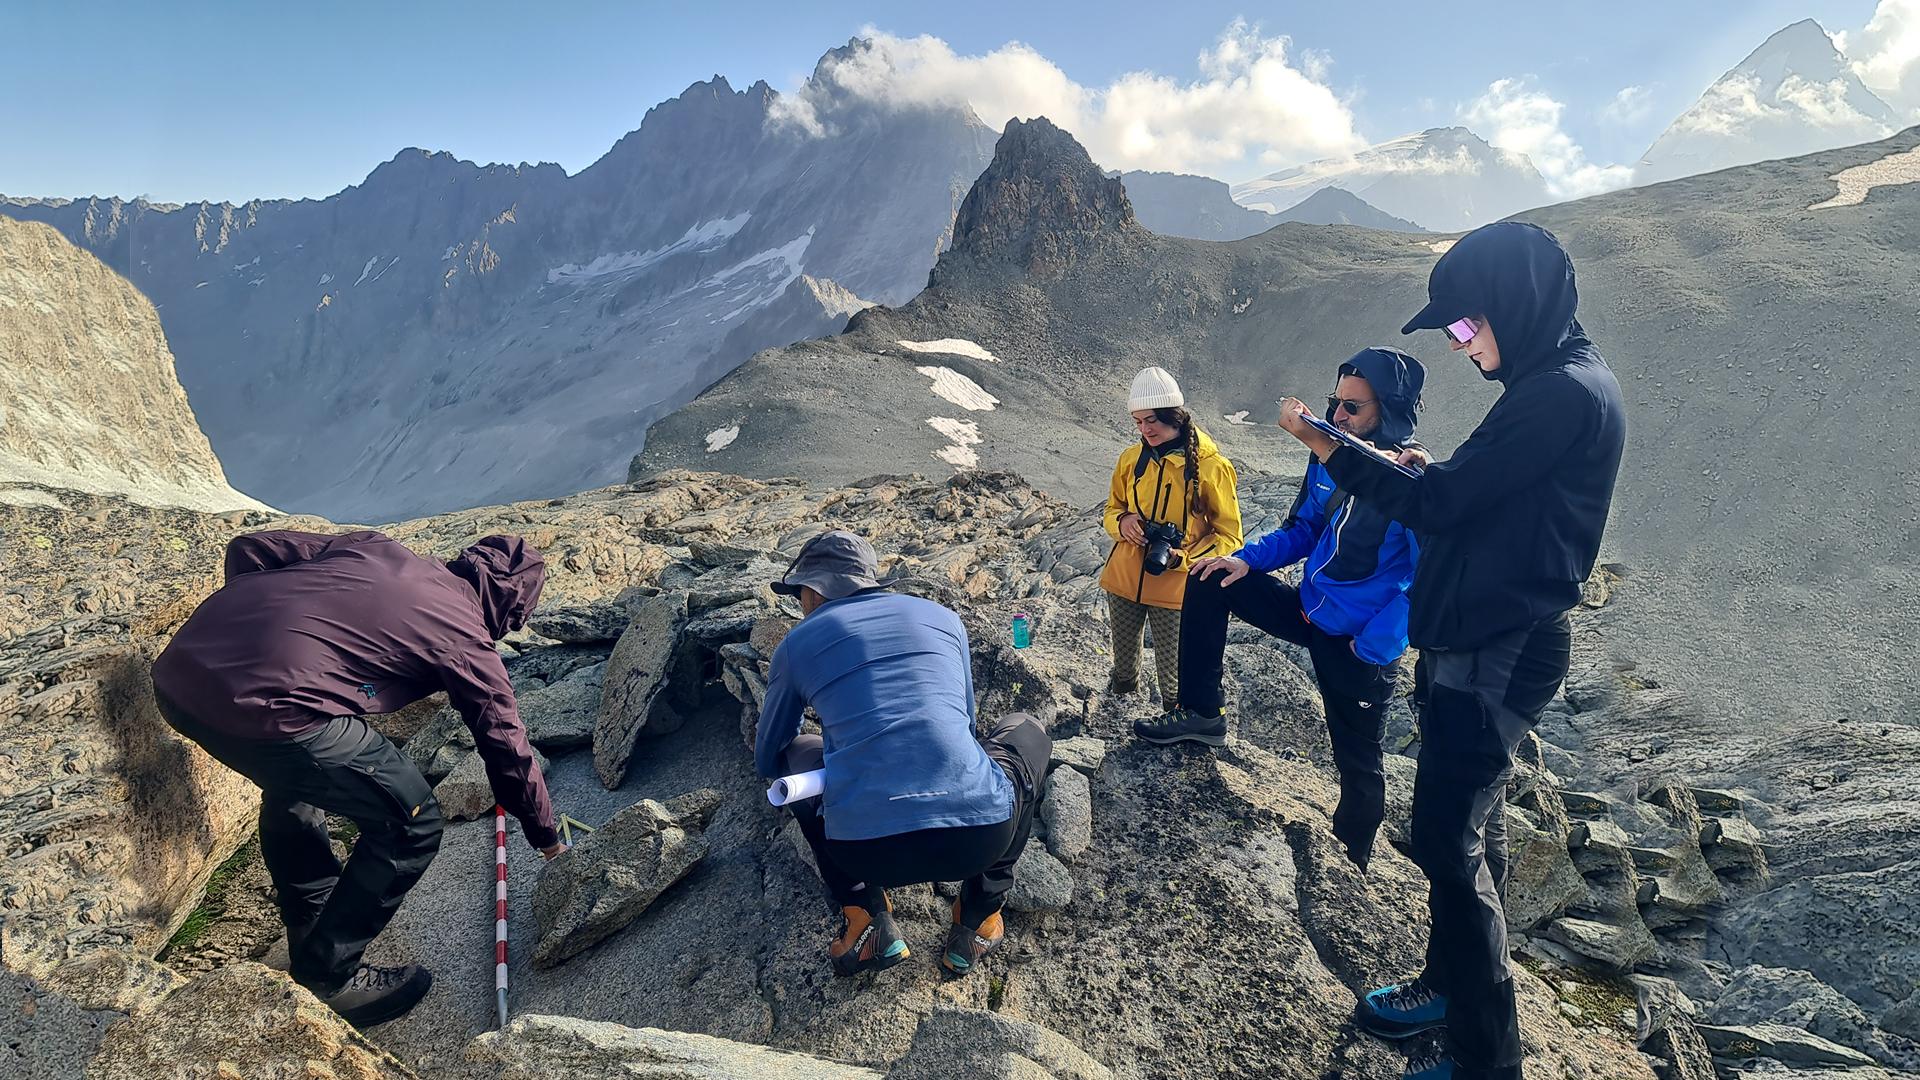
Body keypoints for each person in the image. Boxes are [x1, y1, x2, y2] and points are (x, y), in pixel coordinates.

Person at [1275, 222, 1625, 1080]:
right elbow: (1481, 497)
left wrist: (1331, 446)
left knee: (1443, 838)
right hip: (1482, 642)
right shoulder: (1560, 381)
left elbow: (1442, 506)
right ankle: (1446, 984)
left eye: (1468, 327)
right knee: (1478, 826)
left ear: (1514, 305)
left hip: (1495, 650)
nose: (1465, 347)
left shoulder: (1559, 395)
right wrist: (1433, 474)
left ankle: (1485, 1059)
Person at [151, 530, 564, 1028]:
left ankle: (312, 918)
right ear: (510, 609)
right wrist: (546, 839)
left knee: (300, 778)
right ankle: (330, 978)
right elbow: (506, 746)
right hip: (269, 711)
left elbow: (250, 548)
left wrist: (262, 633)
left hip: (179, 677)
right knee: (410, 820)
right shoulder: (464, 635)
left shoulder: (376, 547)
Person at [1136, 347, 1425, 871]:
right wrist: (1243, 561)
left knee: (1357, 764)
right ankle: (1202, 714)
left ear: (1391, 409)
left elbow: (1426, 582)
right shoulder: (1326, 456)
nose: (1337, 417)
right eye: (1335, 403)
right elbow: (1305, 529)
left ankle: (1352, 866)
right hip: (1309, 612)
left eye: (1353, 408)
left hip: (1357, 645)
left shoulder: (1411, 481)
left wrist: (1374, 645)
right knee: (1209, 578)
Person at [755, 530, 1051, 978]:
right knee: (1026, 731)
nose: (800, 604)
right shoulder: (943, 618)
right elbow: (966, 726)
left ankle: (865, 917)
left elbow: (768, 754)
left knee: (798, 753)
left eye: (799, 594)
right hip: (981, 841)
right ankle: (977, 918)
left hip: (864, 852)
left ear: (814, 590)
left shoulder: (797, 644)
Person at [1099, 366, 1244, 707]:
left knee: (1175, 682)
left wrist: (1184, 560)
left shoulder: (1211, 467)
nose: (1144, 429)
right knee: (1122, 673)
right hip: (1123, 579)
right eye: (1137, 421)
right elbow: (1110, 509)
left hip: (1176, 586)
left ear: (1174, 416)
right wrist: (1122, 523)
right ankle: (1115, 723)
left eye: (1151, 420)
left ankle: (1175, 732)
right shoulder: (1130, 459)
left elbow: (1229, 536)